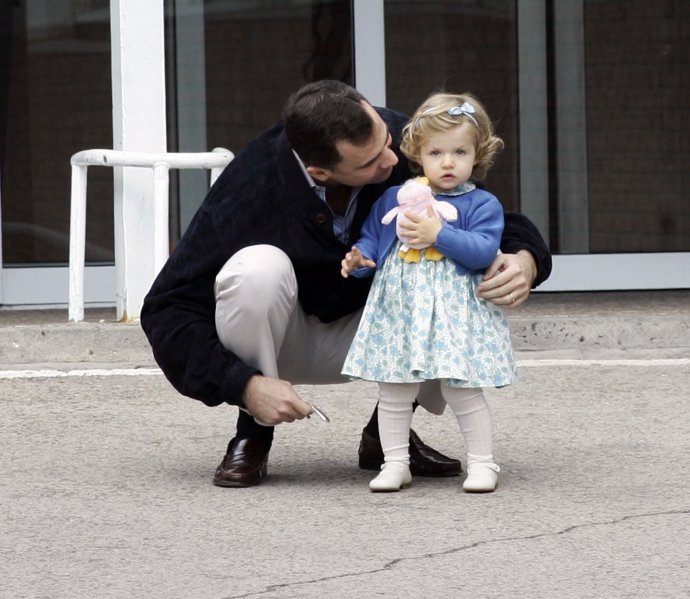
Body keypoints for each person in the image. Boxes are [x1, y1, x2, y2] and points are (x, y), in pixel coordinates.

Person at [140, 80, 551, 488]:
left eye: (388, 141)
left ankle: (386, 439)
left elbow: (484, 212)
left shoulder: (400, 139)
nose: (392, 160)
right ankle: (254, 430)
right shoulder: (251, 185)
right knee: (255, 270)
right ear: (320, 171)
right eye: (371, 163)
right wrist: (242, 384)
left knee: (445, 289)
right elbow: (167, 308)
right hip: (288, 338)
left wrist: (525, 259)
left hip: (377, 328)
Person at [341, 92, 515, 493]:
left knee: (463, 389)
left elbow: (483, 251)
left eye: (460, 151)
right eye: (436, 152)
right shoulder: (395, 198)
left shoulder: (481, 203)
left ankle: (483, 463)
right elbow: (373, 238)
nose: (448, 162)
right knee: (394, 389)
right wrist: (361, 258)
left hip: (456, 313)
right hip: (402, 311)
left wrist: (440, 234)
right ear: (418, 154)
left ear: (478, 154)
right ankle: (395, 462)